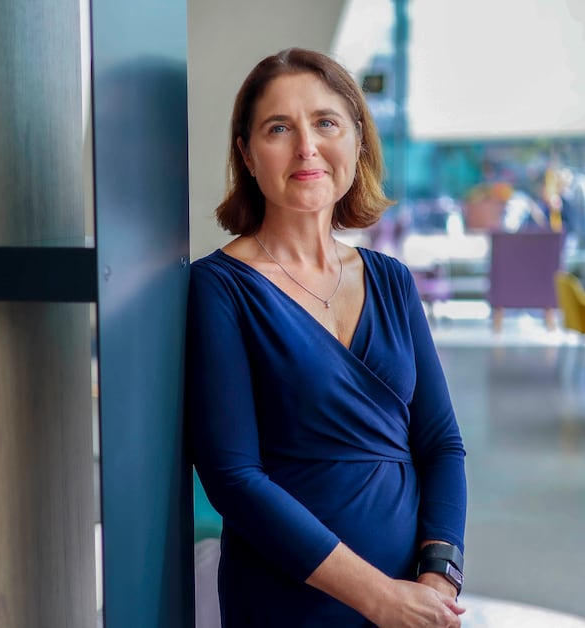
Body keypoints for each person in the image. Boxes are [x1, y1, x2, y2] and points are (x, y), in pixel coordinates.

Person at [185, 48, 467, 627]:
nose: (306, 147)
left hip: (412, 601)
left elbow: (441, 443)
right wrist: (378, 597)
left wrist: (437, 575)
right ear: (247, 153)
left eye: (325, 123)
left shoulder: (391, 280)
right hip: (290, 597)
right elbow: (233, 478)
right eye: (279, 128)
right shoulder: (217, 287)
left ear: (357, 141)